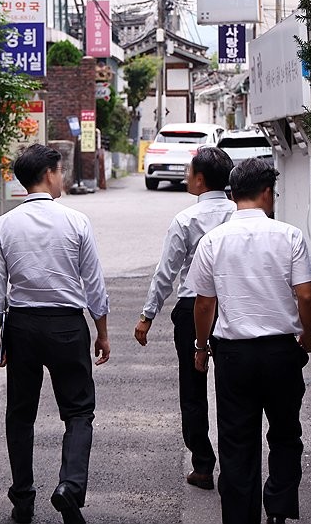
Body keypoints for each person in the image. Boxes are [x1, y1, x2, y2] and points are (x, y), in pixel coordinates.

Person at [0, 144, 111, 524]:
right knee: (78, 410)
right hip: (67, 325)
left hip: (21, 324)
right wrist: (101, 331)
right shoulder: (76, 221)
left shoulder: (3, 225)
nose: (63, 177)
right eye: (61, 170)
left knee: (20, 414)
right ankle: (70, 487)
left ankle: (22, 498)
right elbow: (94, 285)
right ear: (50, 174)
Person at [190, 158, 311, 524]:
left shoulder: (213, 240)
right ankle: (278, 508)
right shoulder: (289, 235)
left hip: (234, 354)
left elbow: (203, 303)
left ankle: (239, 517)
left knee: (236, 442)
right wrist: (306, 335)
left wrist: (201, 348)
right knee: (284, 433)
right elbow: (307, 295)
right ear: (267, 193)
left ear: (233, 194)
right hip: (282, 351)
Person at [133, 146, 235, 490]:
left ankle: (203, 465)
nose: (186, 178)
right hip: (234, 309)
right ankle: (236, 466)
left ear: (200, 179)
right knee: (232, 390)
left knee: (192, 390)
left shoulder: (186, 220)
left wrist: (148, 315)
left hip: (193, 310)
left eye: (190, 173)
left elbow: (166, 273)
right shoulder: (239, 213)